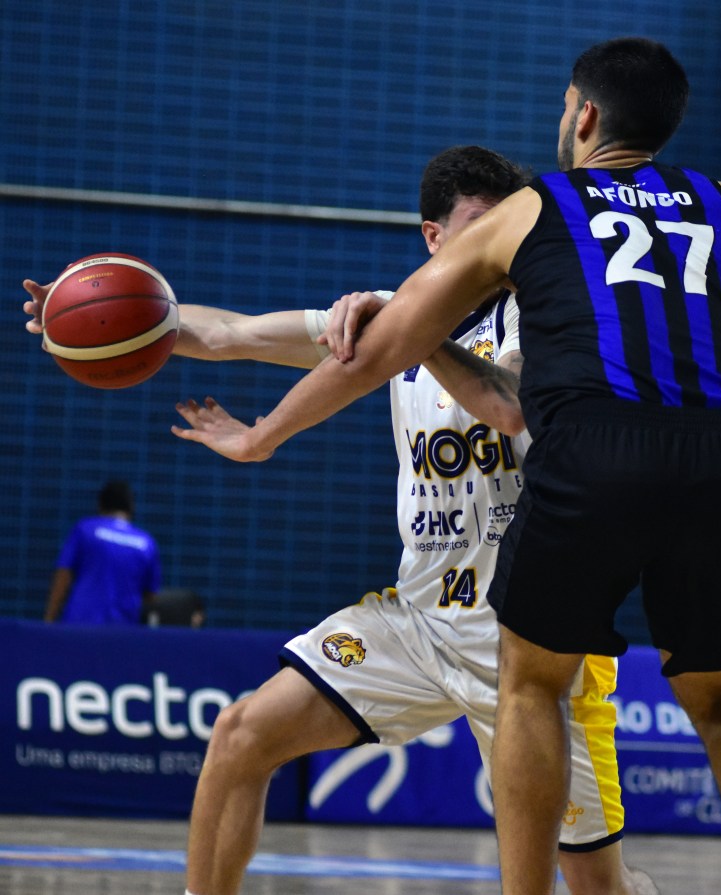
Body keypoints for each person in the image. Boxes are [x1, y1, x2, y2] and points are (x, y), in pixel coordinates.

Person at [166, 37, 721, 895]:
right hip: (692, 472)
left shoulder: (539, 235)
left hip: (579, 493)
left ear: (585, 115)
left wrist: (268, 433)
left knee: (546, 727)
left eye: (566, 106)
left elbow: (416, 369)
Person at [24, 146, 652, 895]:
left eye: (505, 227)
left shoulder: (543, 312)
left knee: (596, 883)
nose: (497, 244)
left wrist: (410, 330)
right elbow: (229, 335)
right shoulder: (389, 315)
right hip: (420, 624)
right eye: (480, 225)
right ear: (434, 236)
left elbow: (508, 404)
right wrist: (93, 315)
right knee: (240, 735)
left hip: (534, 640)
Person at [43, 479, 161, 624]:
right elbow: (151, 597)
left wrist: (49, 619)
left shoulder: (85, 529)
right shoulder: (146, 543)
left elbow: (63, 574)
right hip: (123, 629)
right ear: (131, 508)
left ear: (100, 505)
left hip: (80, 625)